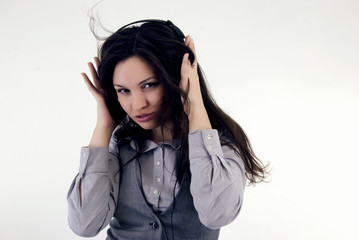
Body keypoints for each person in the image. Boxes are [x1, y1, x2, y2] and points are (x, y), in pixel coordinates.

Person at [67, 19, 268, 240]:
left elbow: (216, 215)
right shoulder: (120, 145)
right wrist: (103, 128)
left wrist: (195, 106)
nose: (137, 104)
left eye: (149, 85)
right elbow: (84, 225)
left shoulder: (220, 145)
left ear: (177, 76)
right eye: (123, 90)